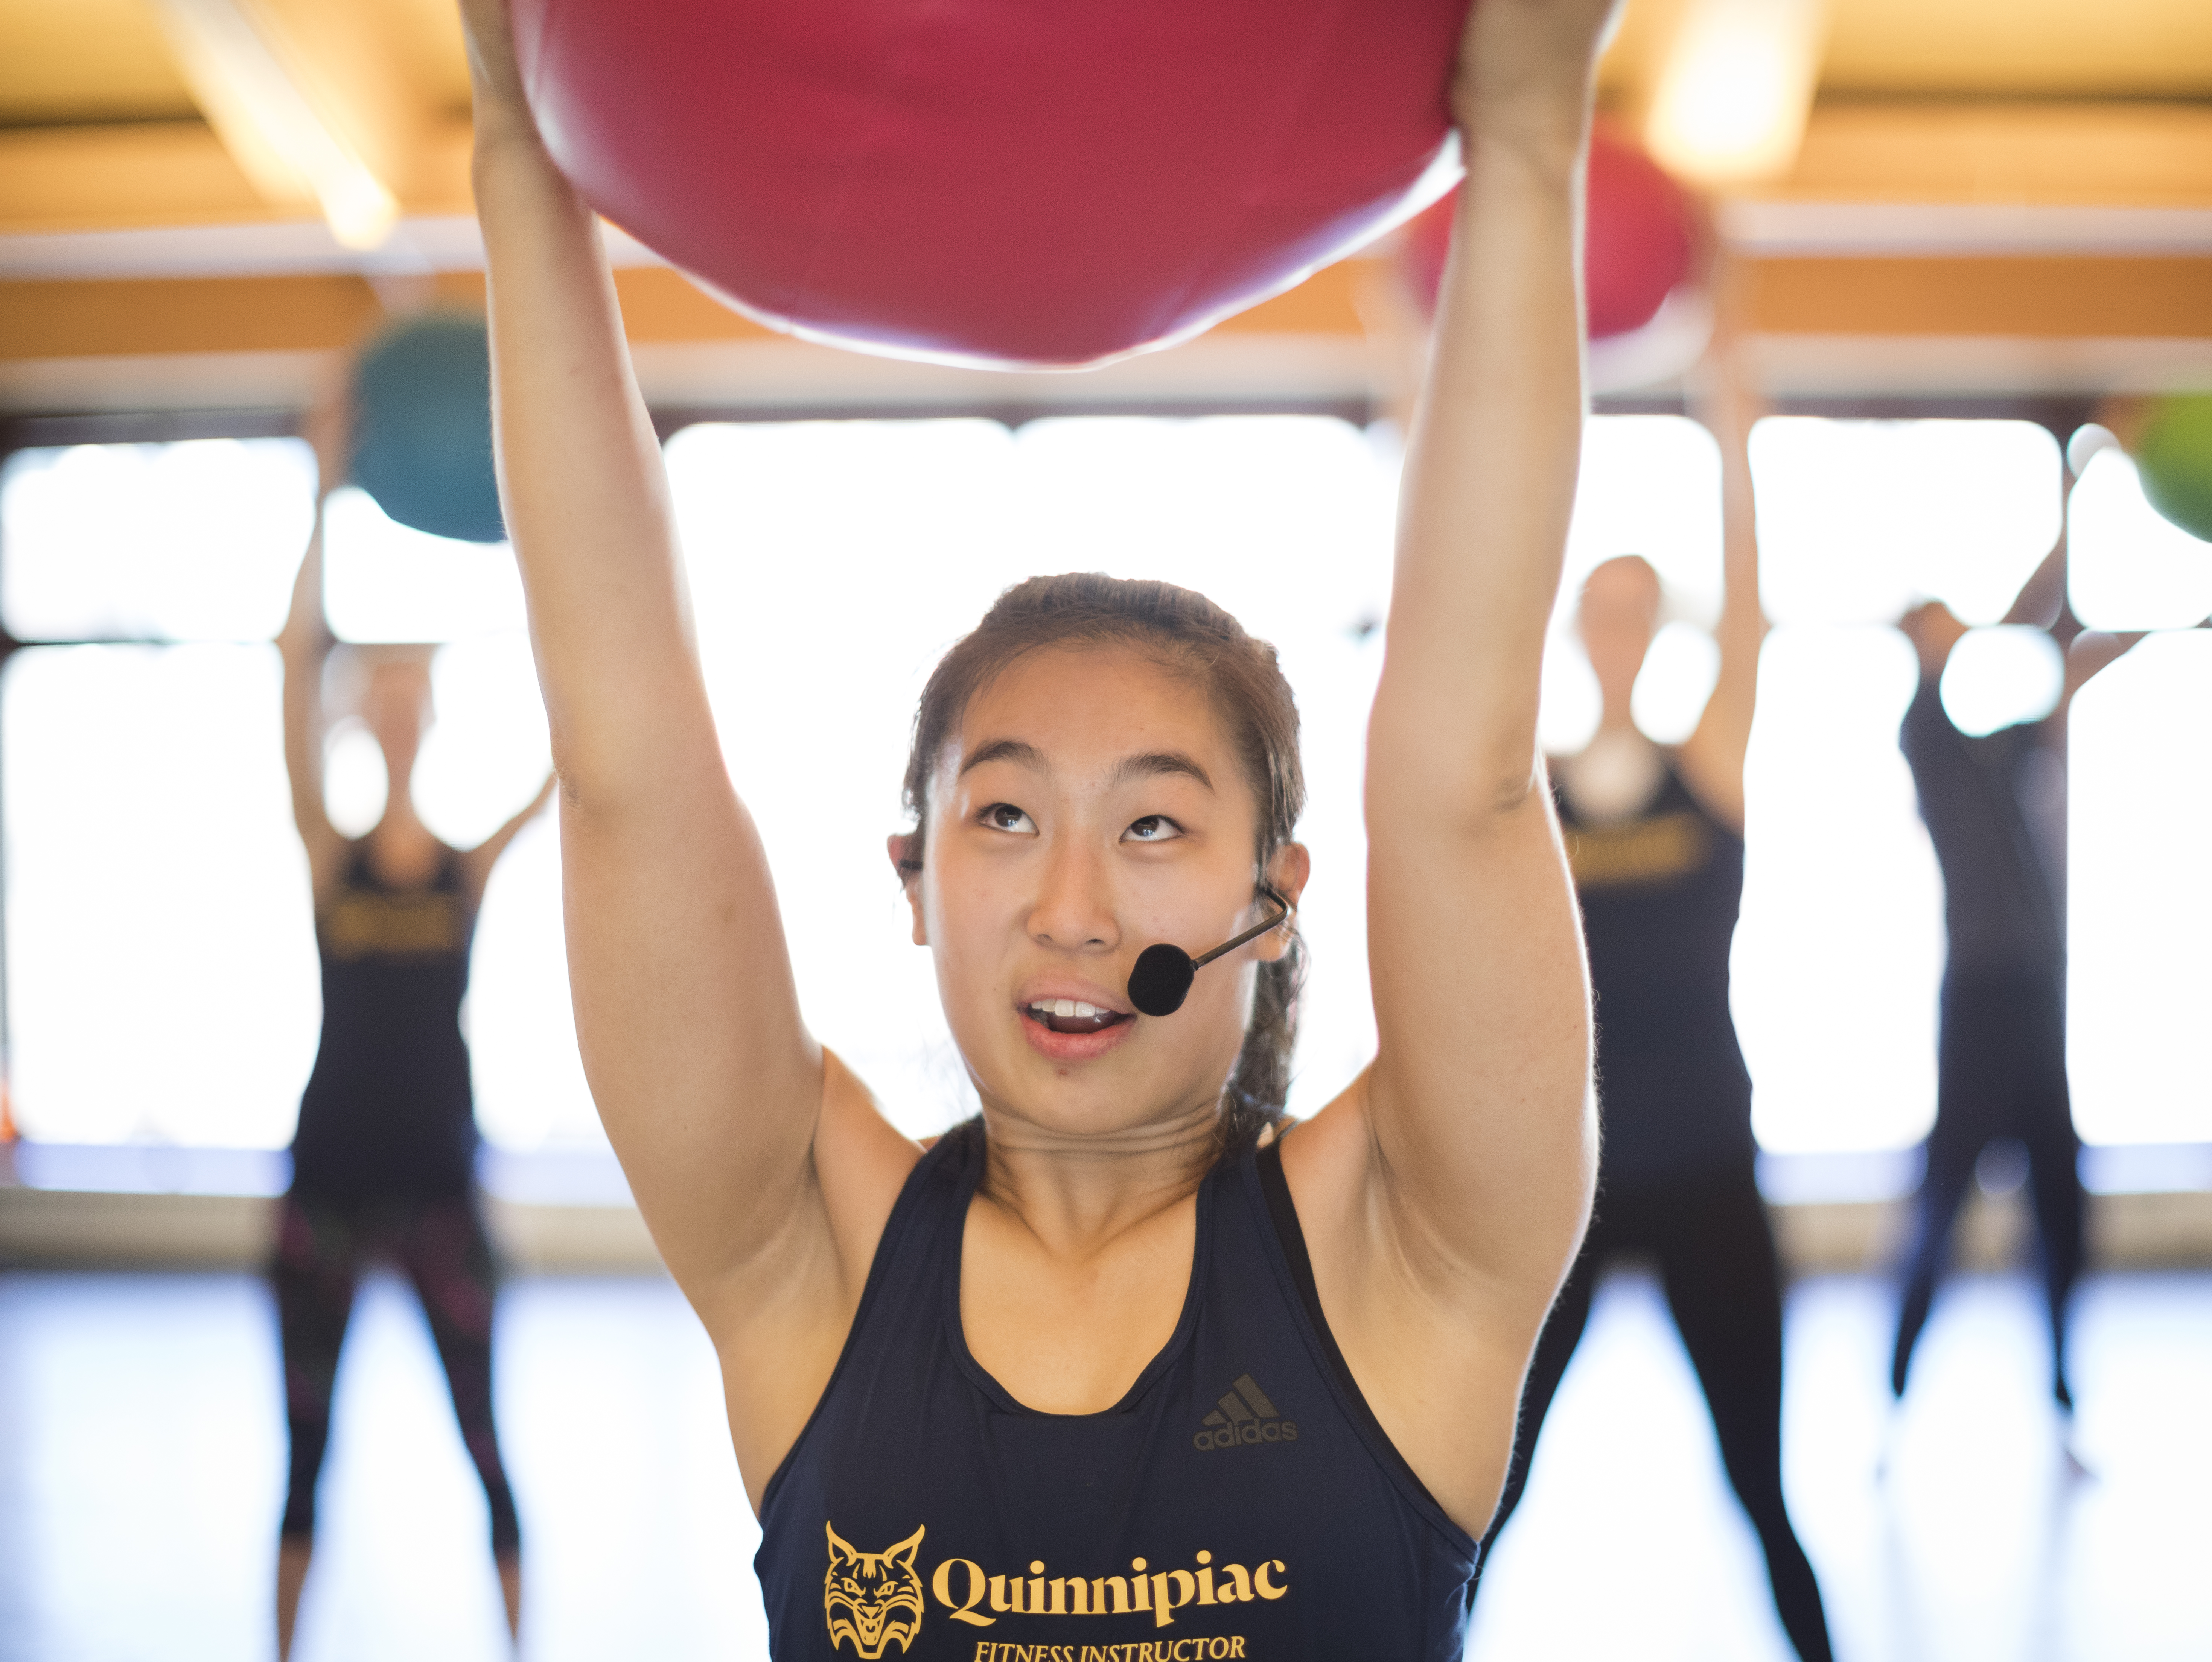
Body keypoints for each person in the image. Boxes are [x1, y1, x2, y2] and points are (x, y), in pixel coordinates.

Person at [459, 0, 1613, 1651]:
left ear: (1272, 899)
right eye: (1003, 814)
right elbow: (627, 760)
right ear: (913, 879)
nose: (1073, 905)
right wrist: (515, 144)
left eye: (1153, 829)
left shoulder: (1410, 1255)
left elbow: (1464, 774)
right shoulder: (811, 1253)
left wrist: (1525, 144)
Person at [1469, 314, 1836, 1660]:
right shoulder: (1529, 789)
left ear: (1654, 626)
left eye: (1638, 605)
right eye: (1598, 608)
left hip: (1704, 1163)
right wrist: (1425, 381)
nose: (1619, 627)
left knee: (1761, 1488)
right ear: (1574, 631)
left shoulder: (1710, 764)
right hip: (1563, 1176)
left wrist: (1729, 421)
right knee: (1485, 1496)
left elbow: (1748, 606)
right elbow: (1461, 597)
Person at [271, 428, 553, 1658]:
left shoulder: (466, 864)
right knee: (304, 1456)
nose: (391, 704)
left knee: (489, 1447)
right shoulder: (329, 857)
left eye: (409, 687)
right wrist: (327, 481)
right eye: (372, 687)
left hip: (443, 1186)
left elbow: (579, 746)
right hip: (325, 1181)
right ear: (357, 716)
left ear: (429, 714)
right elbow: (292, 663)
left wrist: (558, 529)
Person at [1889, 573, 2134, 1430]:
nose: (1951, 635)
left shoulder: (2002, 750)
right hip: (1975, 1007)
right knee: (1938, 1209)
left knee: (2062, 1208)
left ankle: (2063, 1391)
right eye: (1934, 629)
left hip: (2035, 1005)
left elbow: (2071, 664)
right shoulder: (1921, 733)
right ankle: (1894, 1397)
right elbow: (2023, 616)